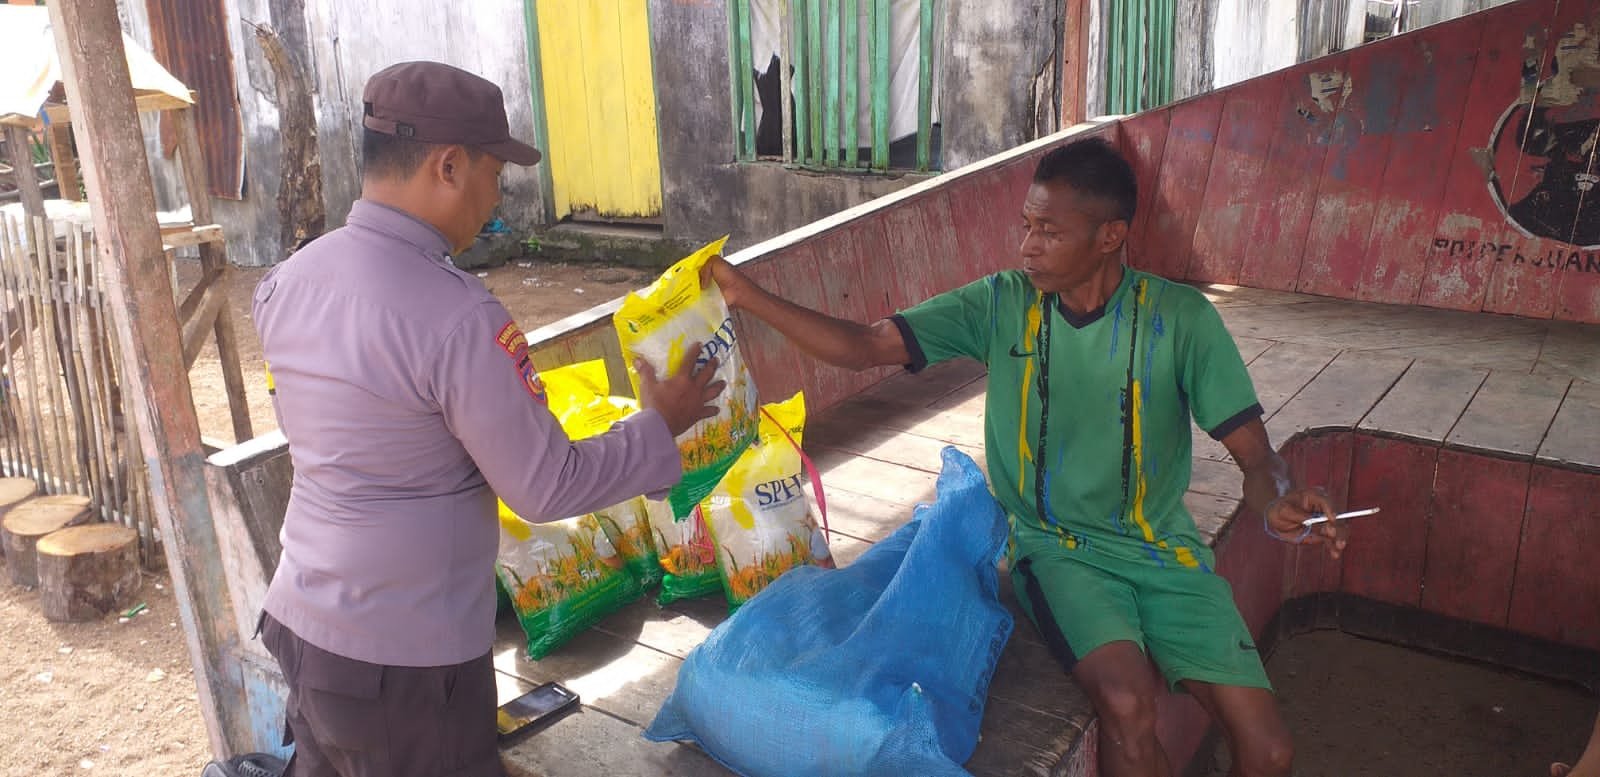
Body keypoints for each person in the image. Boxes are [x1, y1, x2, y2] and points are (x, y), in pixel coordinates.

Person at [705, 136, 1348, 777]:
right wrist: (746, 296)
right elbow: (866, 345)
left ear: (1110, 236)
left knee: (1270, 750)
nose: (1027, 247)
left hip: (1163, 551)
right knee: (1126, 703)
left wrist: (1279, 501)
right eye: (1026, 226)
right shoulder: (1002, 304)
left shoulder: (1180, 319)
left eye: (1049, 231)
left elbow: (1257, 459)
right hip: (1057, 549)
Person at [251, 61, 724, 777]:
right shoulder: (457, 315)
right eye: (494, 174)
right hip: (404, 665)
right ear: (448, 167)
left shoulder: (288, 281)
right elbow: (547, 484)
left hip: (304, 622)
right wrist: (660, 425)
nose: (497, 196)